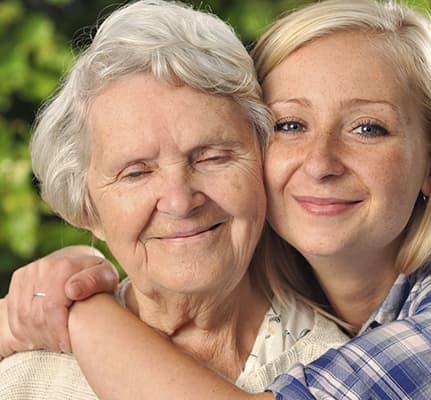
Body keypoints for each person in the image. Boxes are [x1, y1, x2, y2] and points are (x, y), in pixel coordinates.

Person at [2, 0, 431, 398]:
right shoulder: (27, 374)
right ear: (86, 209)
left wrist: (75, 310)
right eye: (290, 127)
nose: (321, 165)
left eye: (368, 129)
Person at [0, 0, 351, 398]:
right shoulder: (23, 375)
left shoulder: (343, 373)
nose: (180, 201)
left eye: (212, 157)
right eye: (137, 172)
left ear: (264, 162)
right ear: (87, 208)